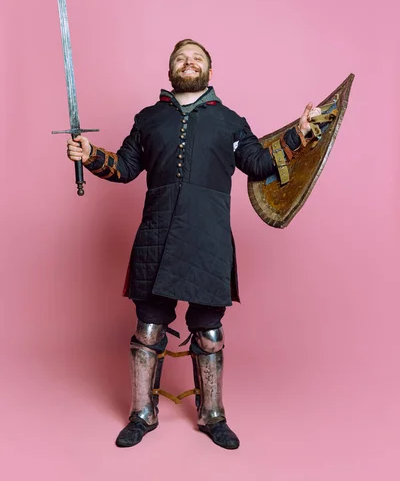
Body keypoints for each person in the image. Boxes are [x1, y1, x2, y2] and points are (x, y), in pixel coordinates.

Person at [67, 39, 320, 450]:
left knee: (209, 332)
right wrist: (91, 153)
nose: (189, 63)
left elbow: (258, 163)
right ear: (170, 70)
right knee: (148, 329)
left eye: (196, 58)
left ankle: (212, 415)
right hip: (156, 235)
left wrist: (299, 132)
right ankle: (142, 413)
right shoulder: (148, 119)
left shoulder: (232, 122)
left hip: (209, 237)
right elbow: (125, 168)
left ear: (209, 72)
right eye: (181, 58)